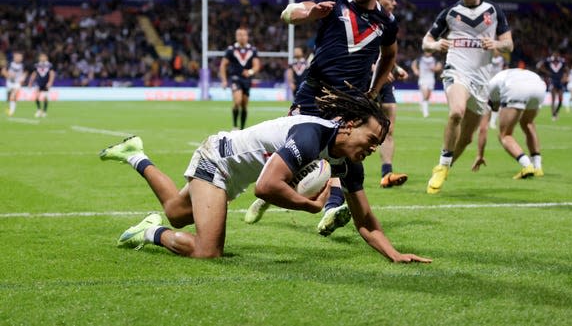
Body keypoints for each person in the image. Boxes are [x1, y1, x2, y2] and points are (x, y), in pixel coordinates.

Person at [100, 85, 431, 264]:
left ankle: (136, 155)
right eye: (371, 139)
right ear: (348, 125)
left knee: (175, 211)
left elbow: (366, 220)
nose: (373, 148)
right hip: (216, 159)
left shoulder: (348, 163)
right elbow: (266, 187)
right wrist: (309, 206)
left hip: (232, 173)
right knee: (207, 251)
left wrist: (395, 254)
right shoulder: (310, 135)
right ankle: (149, 233)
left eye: (378, 144)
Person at [245, 0, 399, 235]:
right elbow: (288, 13)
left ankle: (331, 209)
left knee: (338, 155)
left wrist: (373, 92)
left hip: (349, 102)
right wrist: (311, 13)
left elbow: (389, 55)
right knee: (292, 149)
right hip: (314, 93)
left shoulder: (386, 22)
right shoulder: (335, 1)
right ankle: (267, 193)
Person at [421, 0, 513, 194]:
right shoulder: (450, 14)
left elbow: (509, 44)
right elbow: (426, 42)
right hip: (456, 71)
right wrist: (434, 44)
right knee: (456, 112)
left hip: (482, 80)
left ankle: (445, 166)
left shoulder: (493, 11)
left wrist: (497, 45)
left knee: (466, 139)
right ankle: (442, 167)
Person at [472, 68, 546, 179]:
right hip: (538, 85)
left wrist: (480, 155)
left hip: (516, 86)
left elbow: (483, 128)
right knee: (528, 123)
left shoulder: (485, 93)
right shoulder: (497, 80)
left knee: (505, 135)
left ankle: (527, 165)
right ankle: (538, 167)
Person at [375, 0, 409, 189]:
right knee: (349, 128)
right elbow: (358, 51)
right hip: (362, 79)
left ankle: (386, 173)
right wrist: (376, 69)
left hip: (384, 79)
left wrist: (394, 69)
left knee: (388, 128)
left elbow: (384, 52)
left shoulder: (389, 22)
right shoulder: (364, 18)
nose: (394, 3)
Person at [219, 28, 261, 130]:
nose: (241, 37)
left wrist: (250, 72)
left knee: (244, 105)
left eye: (243, 35)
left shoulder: (252, 50)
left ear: (247, 36)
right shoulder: (231, 49)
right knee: (237, 101)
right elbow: (223, 65)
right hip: (235, 78)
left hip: (247, 80)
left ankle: (242, 128)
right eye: (239, 35)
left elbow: (256, 66)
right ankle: (234, 126)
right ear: (236, 36)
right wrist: (224, 80)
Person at [537, 50, 567, 121]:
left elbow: (566, 69)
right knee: (553, 99)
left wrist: (565, 77)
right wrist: (547, 72)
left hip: (560, 81)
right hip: (552, 81)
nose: (556, 56)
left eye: (557, 54)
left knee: (560, 100)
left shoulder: (562, 61)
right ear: (553, 54)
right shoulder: (548, 60)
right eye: (554, 54)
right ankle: (553, 115)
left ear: (559, 55)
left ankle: (556, 112)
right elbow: (539, 66)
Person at [411, 49, 442, 118]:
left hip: (431, 79)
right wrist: (416, 71)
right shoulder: (420, 59)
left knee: (427, 96)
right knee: (425, 95)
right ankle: (425, 113)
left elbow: (439, 66)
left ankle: (422, 103)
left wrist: (435, 69)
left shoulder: (434, 59)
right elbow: (413, 64)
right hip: (422, 79)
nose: (428, 53)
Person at [27, 53, 55, 118]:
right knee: (36, 96)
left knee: (45, 98)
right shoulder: (36, 65)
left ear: (46, 58)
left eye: (44, 57)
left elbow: (52, 74)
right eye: (41, 57)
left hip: (46, 83)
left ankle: (44, 111)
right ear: (39, 58)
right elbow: (34, 74)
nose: (43, 58)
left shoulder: (49, 65)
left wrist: (50, 82)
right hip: (38, 83)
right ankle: (39, 110)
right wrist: (30, 82)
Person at [2, 52, 26, 116]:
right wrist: (8, 75)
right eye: (17, 57)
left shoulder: (23, 65)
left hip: (17, 83)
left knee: (13, 96)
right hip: (9, 82)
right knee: (9, 98)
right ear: (14, 57)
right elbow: (3, 71)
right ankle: (10, 108)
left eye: (20, 57)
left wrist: (23, 78)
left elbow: (25, 73)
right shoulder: (9, 63)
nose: (19, 58)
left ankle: (11, 111)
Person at [487, 51, 506, 128]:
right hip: (487, 82)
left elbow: (505, 69)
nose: (496, 52)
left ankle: (492, 121)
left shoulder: (502, 60)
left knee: (496, 102)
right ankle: (484, 121)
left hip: (497, 83)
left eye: (498, 50)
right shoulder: (488, 58)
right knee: (485, 102)